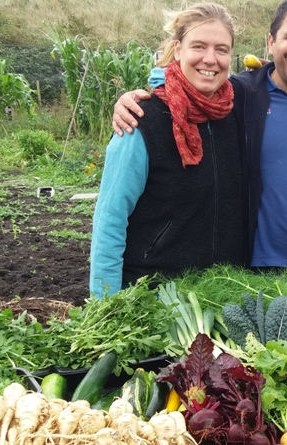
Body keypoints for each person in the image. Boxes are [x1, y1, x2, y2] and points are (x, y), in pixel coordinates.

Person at [111, 0, 287, 311]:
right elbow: (193, 88)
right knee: (264, 360)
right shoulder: (240, 96)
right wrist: (138, 97)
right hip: (255, 273)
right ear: (271, 42)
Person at [88, 3, 244, 298]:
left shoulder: (235, 115)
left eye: (221, 49)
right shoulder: (141, 119)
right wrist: (104, 305)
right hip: (152, 298)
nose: (210, 59)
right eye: (199, 46)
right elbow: (111, 219)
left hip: (220, 298)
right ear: (178, 49)